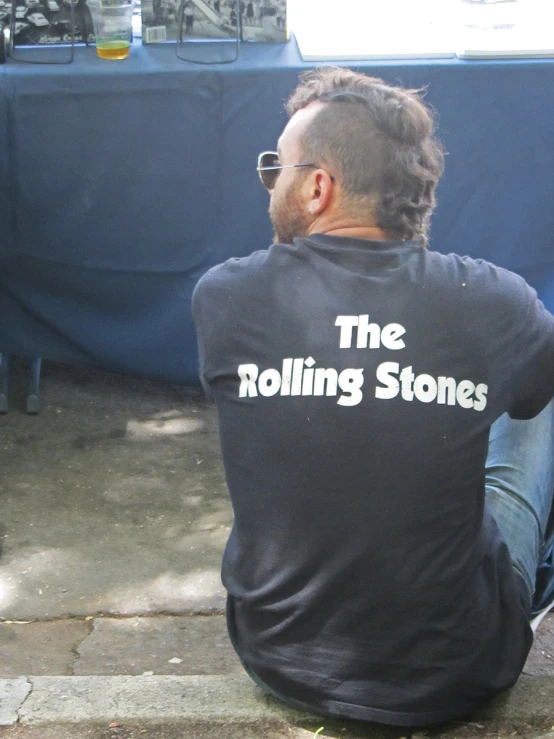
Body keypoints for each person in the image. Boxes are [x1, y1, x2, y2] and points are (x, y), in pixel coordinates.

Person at [192, 68, 554, 726]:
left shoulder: (226, 298)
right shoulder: (491, 301)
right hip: (463, 664)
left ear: (318, 186)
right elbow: (528, 398)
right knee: (538, 392)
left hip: (279, 655)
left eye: (276, 166)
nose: (270, 181)